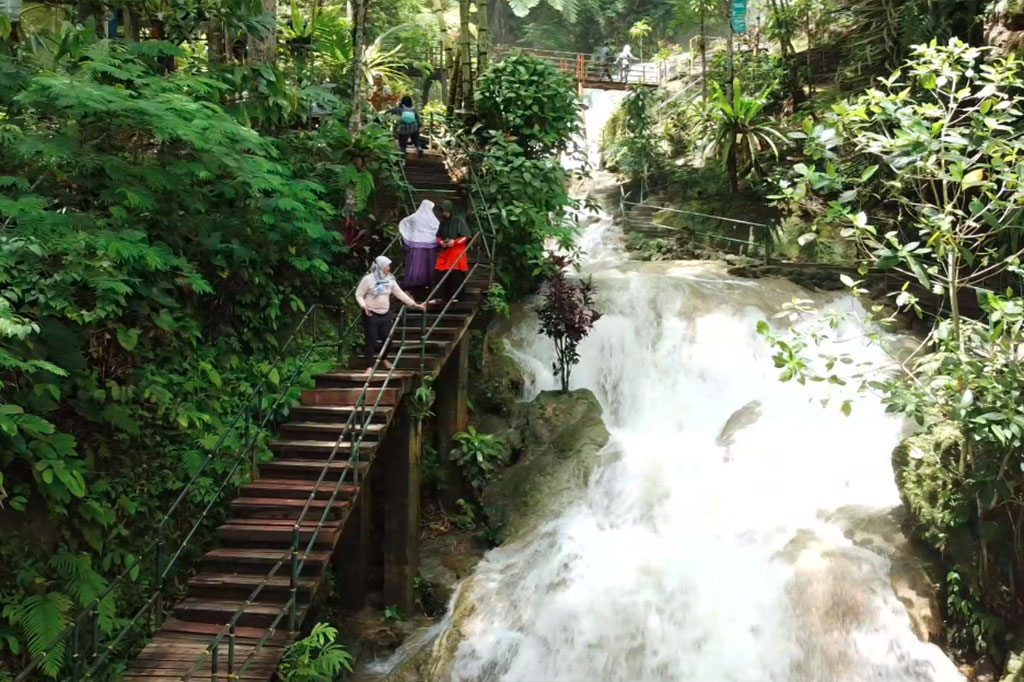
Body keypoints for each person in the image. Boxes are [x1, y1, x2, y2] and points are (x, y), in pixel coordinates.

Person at [355, 256, 425, 373]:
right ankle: (369, 365)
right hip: (370, 312)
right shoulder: (368, 279)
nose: (389, 268)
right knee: (371, 339)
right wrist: (363, 306)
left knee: (388, 337)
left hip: (385, 313)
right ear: (381, 266)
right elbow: (359, 294)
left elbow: (399, 293)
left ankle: (384, 358)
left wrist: (415, 304)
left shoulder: (390, 279)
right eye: (387, 265)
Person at [398, 199, 440, 296]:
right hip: (429, 245)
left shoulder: (414, 217)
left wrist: (409, 235)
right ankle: (427, 282)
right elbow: (437, 228)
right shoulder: (433, 219)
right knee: (427, 264)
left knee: (416, 263)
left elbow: (404, 223)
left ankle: (413, 282)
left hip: (416, 243)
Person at [433, 200, 472, 303]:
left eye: (447, 211)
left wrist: (455, 242)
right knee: (440, 272)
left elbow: (466, 236)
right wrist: (441, 242)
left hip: (456, 251)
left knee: (456, 274)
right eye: (443, 211)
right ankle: (441, 296)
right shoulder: (443, 223)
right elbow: (438, 236)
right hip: (445, 251)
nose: (445, 213)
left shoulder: (459, 221)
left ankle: (456, 297)